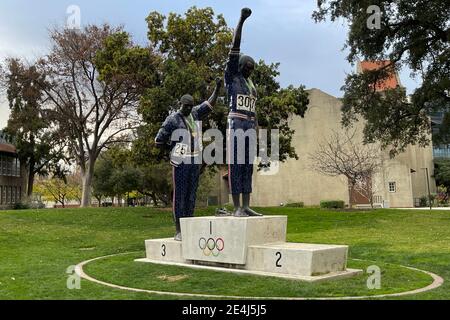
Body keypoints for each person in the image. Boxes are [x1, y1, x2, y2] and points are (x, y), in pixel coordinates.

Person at [155, 78, 222, 241]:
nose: (189, 109)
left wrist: (218, 88)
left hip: (195, 160)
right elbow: (158, 141)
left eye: (191, 106)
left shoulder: (195, 113)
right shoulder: (172, 119)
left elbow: (209, 103)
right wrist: (174, 151)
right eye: (186, 106)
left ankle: (189, 227)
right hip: (181, 161)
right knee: (180, 195)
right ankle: (178, 230)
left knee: (191, 195)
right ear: (180, 104)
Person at [225, 7, 263, 217]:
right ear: (239, 66)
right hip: (235, 124)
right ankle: (237, 206)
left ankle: (246, 205)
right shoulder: (232, 77)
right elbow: (235, 47)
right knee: (236, 164)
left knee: (248, 165)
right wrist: (241, 20)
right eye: (246, 67)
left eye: (252, 69)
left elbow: (254, 110)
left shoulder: (250, 84)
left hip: (249, 125)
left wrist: (256, 130)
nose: (249, 71)